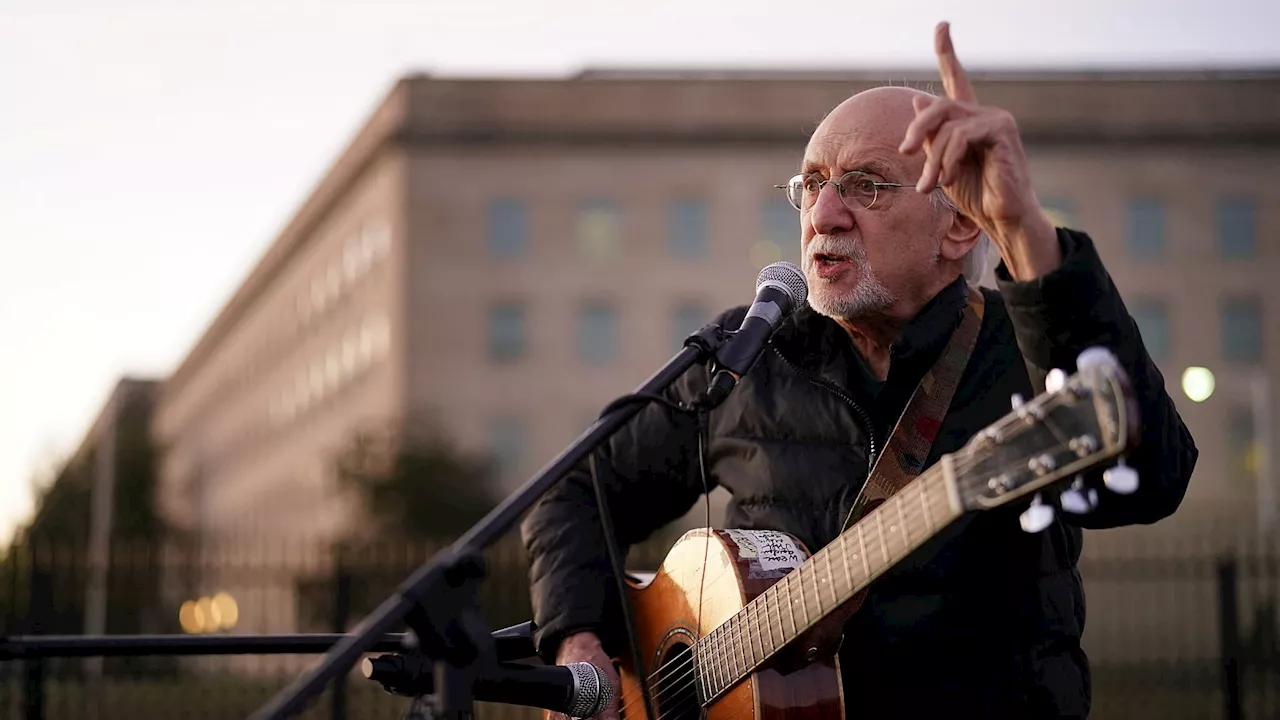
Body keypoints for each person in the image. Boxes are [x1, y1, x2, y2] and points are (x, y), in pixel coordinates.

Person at [520, 22, 1197, 719]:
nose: (825, 214)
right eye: (811, 185)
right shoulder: (747, 350)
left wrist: (1024, 226)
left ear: (960, 226)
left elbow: (1154, 478)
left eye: (867, 187)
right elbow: (575, 490)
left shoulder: (1027, 346)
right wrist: (580, 641)